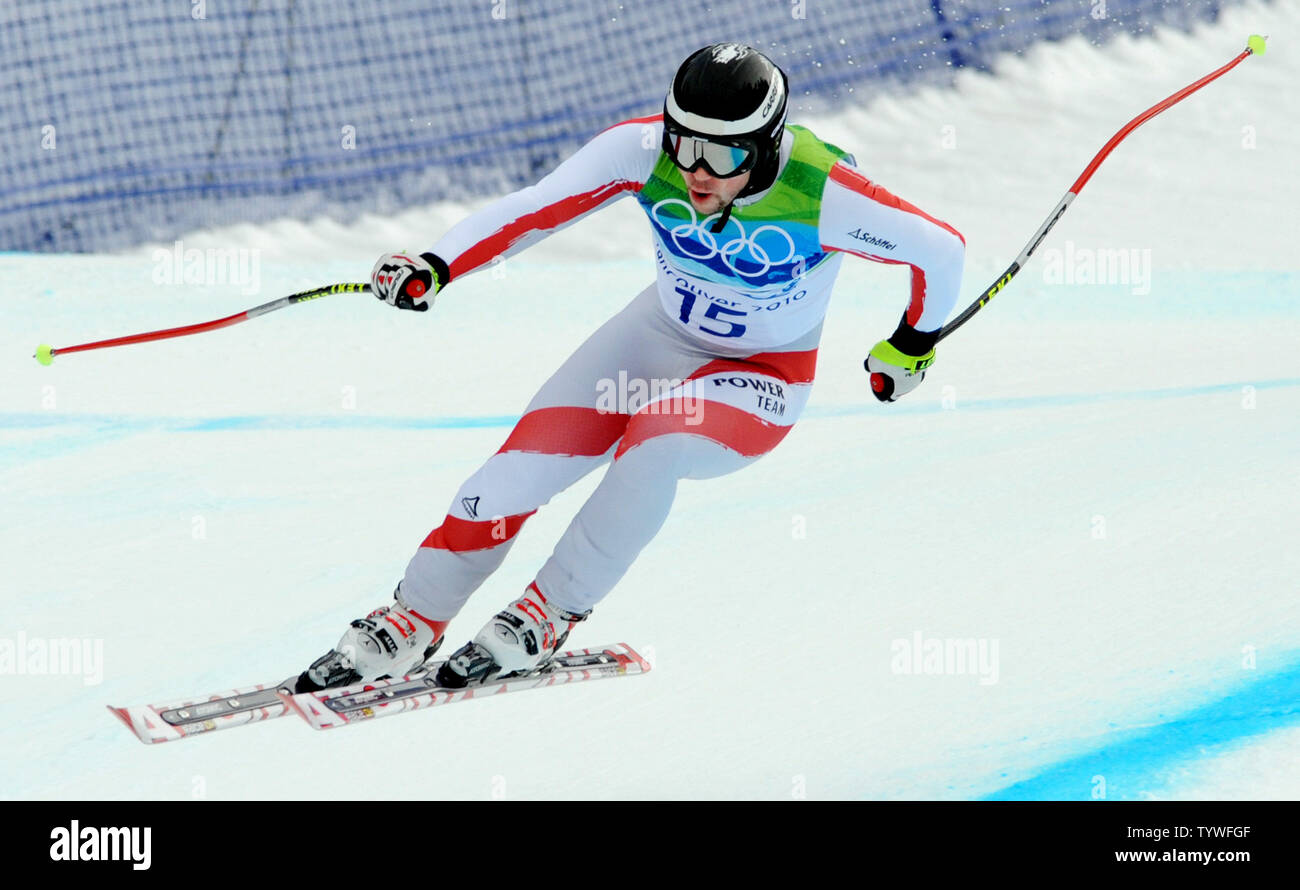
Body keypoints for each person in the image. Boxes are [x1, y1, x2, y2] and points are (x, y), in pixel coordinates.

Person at [296, 42, 965, 693]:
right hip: (657, 338)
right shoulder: (643, 154)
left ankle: (549, 611)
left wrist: (912, 342)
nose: (696, 170)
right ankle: (415, 615)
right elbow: (535, 207)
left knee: (658, 441)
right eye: (684, 143)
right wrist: (437, 264)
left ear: (762, 150)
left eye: (720, 153)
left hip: (764, 376)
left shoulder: (824, 191)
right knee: (512, 476)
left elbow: (941, 250)